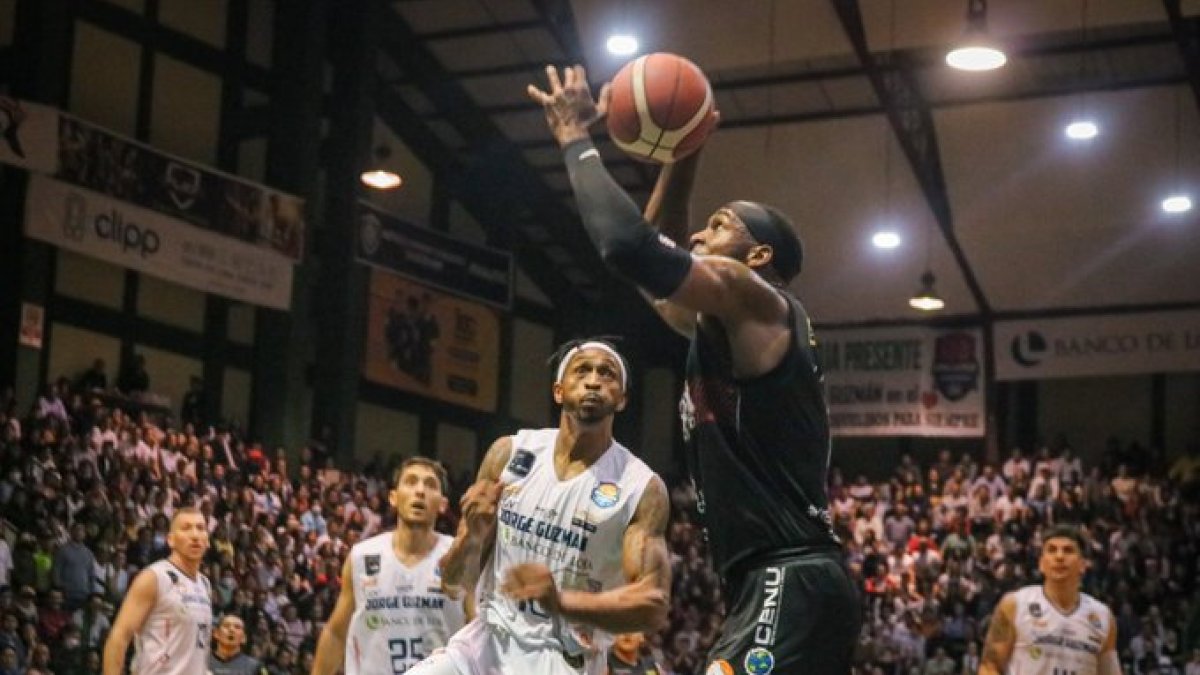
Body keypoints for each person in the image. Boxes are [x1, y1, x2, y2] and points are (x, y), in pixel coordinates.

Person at [526, 65, 859, 673]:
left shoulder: (755, 297)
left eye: (721, 224)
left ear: (758, 254)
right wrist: (685, 148)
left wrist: (574, 136)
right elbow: (652, 264)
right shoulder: (725, 327)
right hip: (767, 581)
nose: (701, 232)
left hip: (789, 575)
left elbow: (629, 246)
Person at [410, 338, 670, 675]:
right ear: (558, 391)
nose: (593, 381)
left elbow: (653, 605)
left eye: (606, 373)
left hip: (562, 658)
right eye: (582, 370)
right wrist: (473, 535)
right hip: (485, 645)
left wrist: (562, 602)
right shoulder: (509, 453)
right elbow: (455, 583)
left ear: (622, 399)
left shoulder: (641, 487)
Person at [312, 457, 469, 675]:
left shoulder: (460, 557)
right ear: (393, 498)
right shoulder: (362, 557)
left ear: (442, 504)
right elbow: (336, 633)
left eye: (430, 485)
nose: (420, 491)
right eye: (411, 482)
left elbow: (480, 634)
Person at [979, 524, 1120, 674]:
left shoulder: (1103, 617)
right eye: (1052, 550)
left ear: (1082, 565)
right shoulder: (1015, 604)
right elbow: (989, 666)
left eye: (1068, 550)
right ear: (1041, 564)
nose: (1059, 557)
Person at [102, 507, 212, 675]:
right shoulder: (153, 577)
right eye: (186, 528)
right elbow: (119, 637)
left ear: (208, 541)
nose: (195, 535)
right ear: (171, 540)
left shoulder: (205, 584)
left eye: (200, 528)